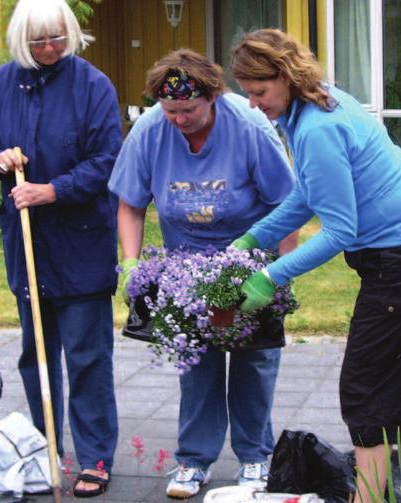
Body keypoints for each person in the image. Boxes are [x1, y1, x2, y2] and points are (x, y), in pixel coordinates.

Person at [229, 29, 401, 502]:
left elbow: (339, 231)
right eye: (246, 93)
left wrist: (270, 275)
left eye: (259, 92)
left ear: (284, 77)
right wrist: (255, 237)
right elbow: (310, 193)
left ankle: (373, 498)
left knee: (365, 387)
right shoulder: (314, 103)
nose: (252, 104)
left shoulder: (317, 127)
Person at [108, 48, 296, 499]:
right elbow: (131, 204)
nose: (178, 118)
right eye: (170, 109)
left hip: (250, 262)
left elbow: (286, 206)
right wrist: (131, 264)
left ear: (214, 96)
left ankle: (255, 457)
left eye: (188, 109)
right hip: (185, 268)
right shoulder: (152, 130)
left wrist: (282, 275)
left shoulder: (249, 128)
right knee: (197, 366)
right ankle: (194, 460)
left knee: (254, 362)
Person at [0, 0, 122, 497]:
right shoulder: (1, 84)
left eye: (57, 38)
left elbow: (106, 160)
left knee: (87, 353)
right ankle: (47, 444)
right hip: (26, 241)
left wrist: (53, 190)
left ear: (71, 34)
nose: (49, 48)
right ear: (21, 41)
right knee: (36, 352)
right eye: (38, 41)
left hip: (81, 243)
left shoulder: (92, 85)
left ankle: (95, 457)